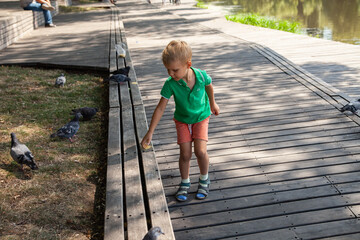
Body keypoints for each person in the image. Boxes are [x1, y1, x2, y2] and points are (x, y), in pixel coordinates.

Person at [141, 40, 220, 202]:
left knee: (200, 151)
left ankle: (204, 179)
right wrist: (150, 131)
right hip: (182, 121)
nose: (171, 73)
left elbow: (209, 86)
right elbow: (161, 108)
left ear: (188, 64)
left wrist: (212, 103)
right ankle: (185, 183)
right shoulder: (170, 84)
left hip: (201, 117)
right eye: (168, 70)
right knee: (185, 153)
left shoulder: (201, 76)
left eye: (175, 70)